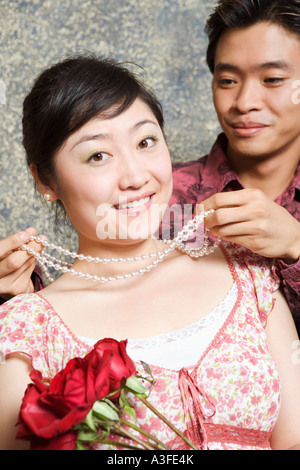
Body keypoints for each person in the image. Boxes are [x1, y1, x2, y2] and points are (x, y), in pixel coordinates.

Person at [0, 54, 300, 451]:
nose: (137, 177)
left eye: (145, 142)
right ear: (46, 180)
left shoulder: (246, 271)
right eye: (97, 156)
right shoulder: (28, 328)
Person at [169, 0, 300, 335]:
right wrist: (20, 292)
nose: (244, 102)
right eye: (227, 80)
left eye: (272, 79)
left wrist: (295, 246)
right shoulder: (163, 193)